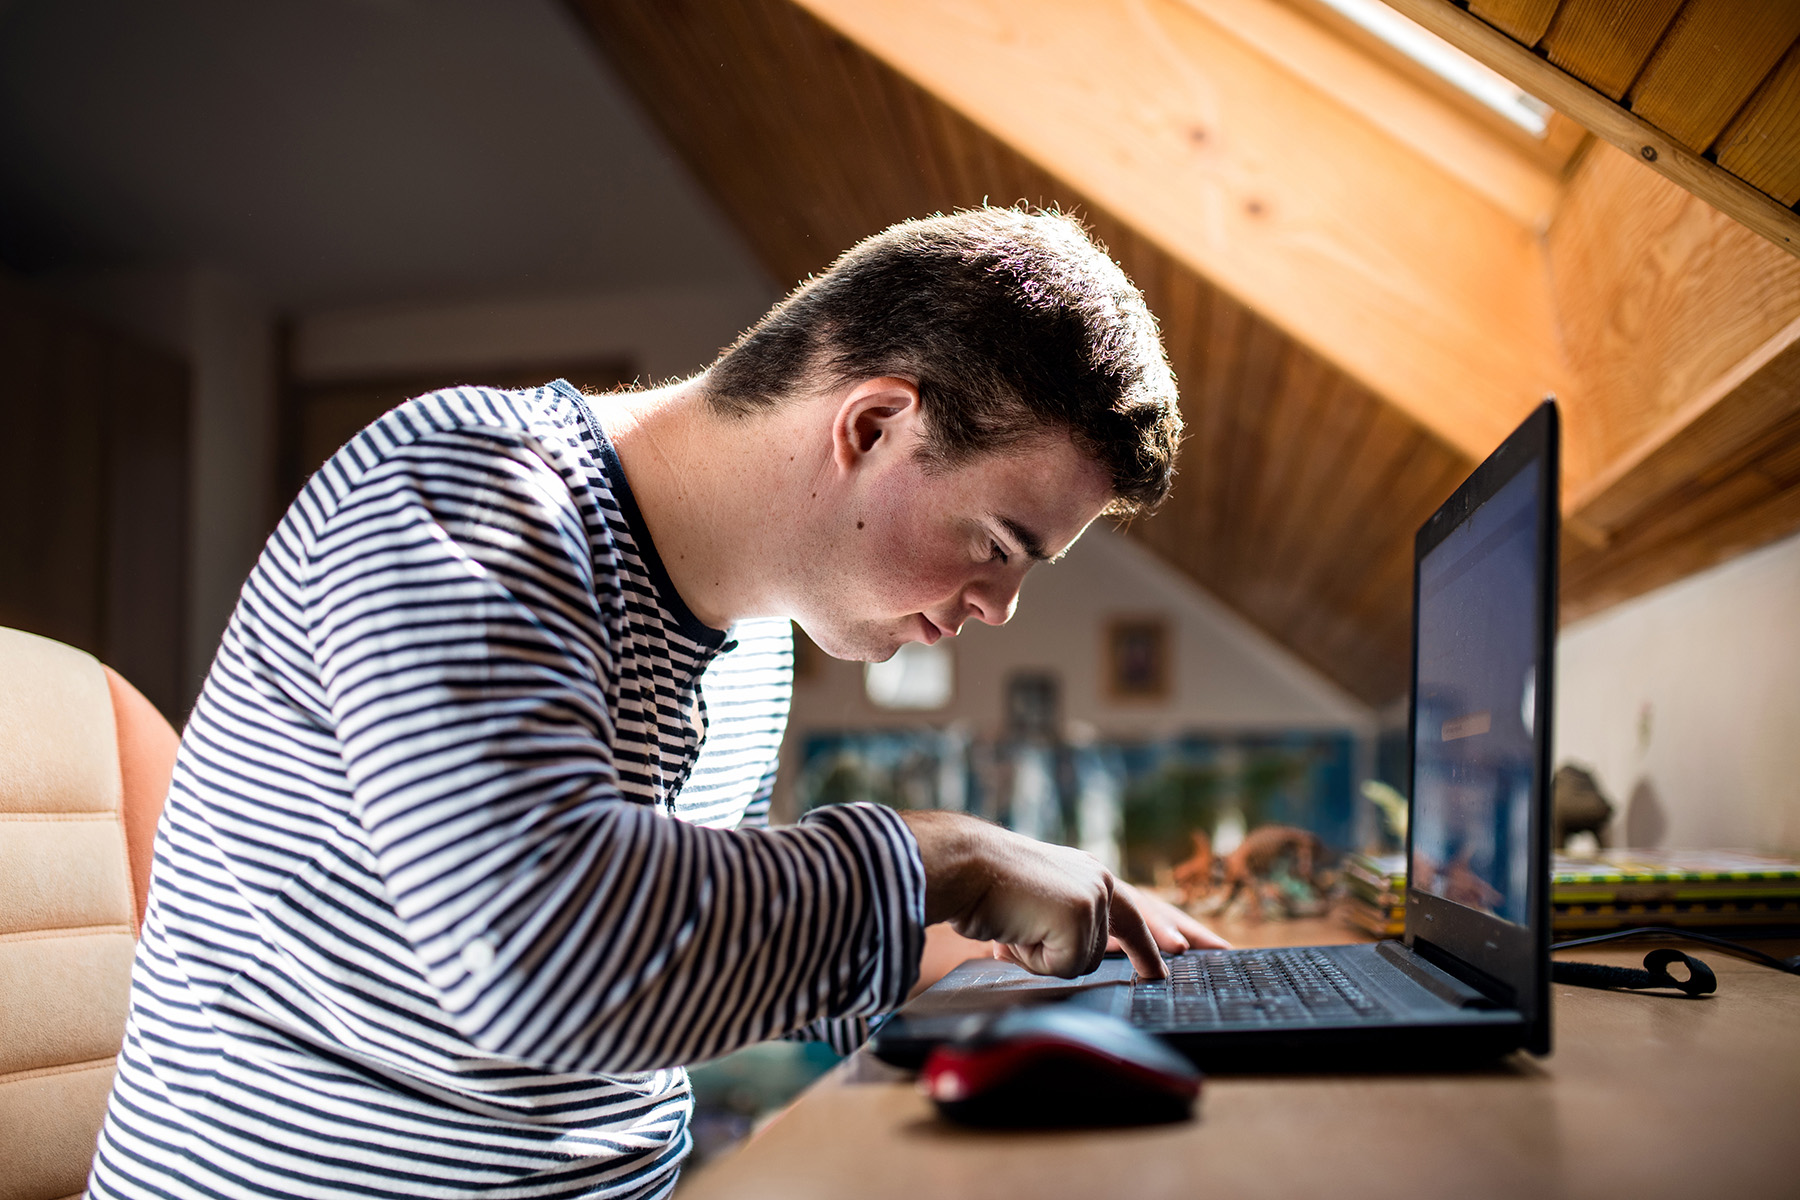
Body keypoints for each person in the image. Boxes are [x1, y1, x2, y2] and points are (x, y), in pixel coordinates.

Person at [88, 207, 1222, 1200]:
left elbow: (686, 953)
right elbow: (544, 965)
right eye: (994, 545)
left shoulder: (754, 643)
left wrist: (1065, 951)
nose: (1000, 608)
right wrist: (952, 859)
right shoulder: (463, 495)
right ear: (874, 426)